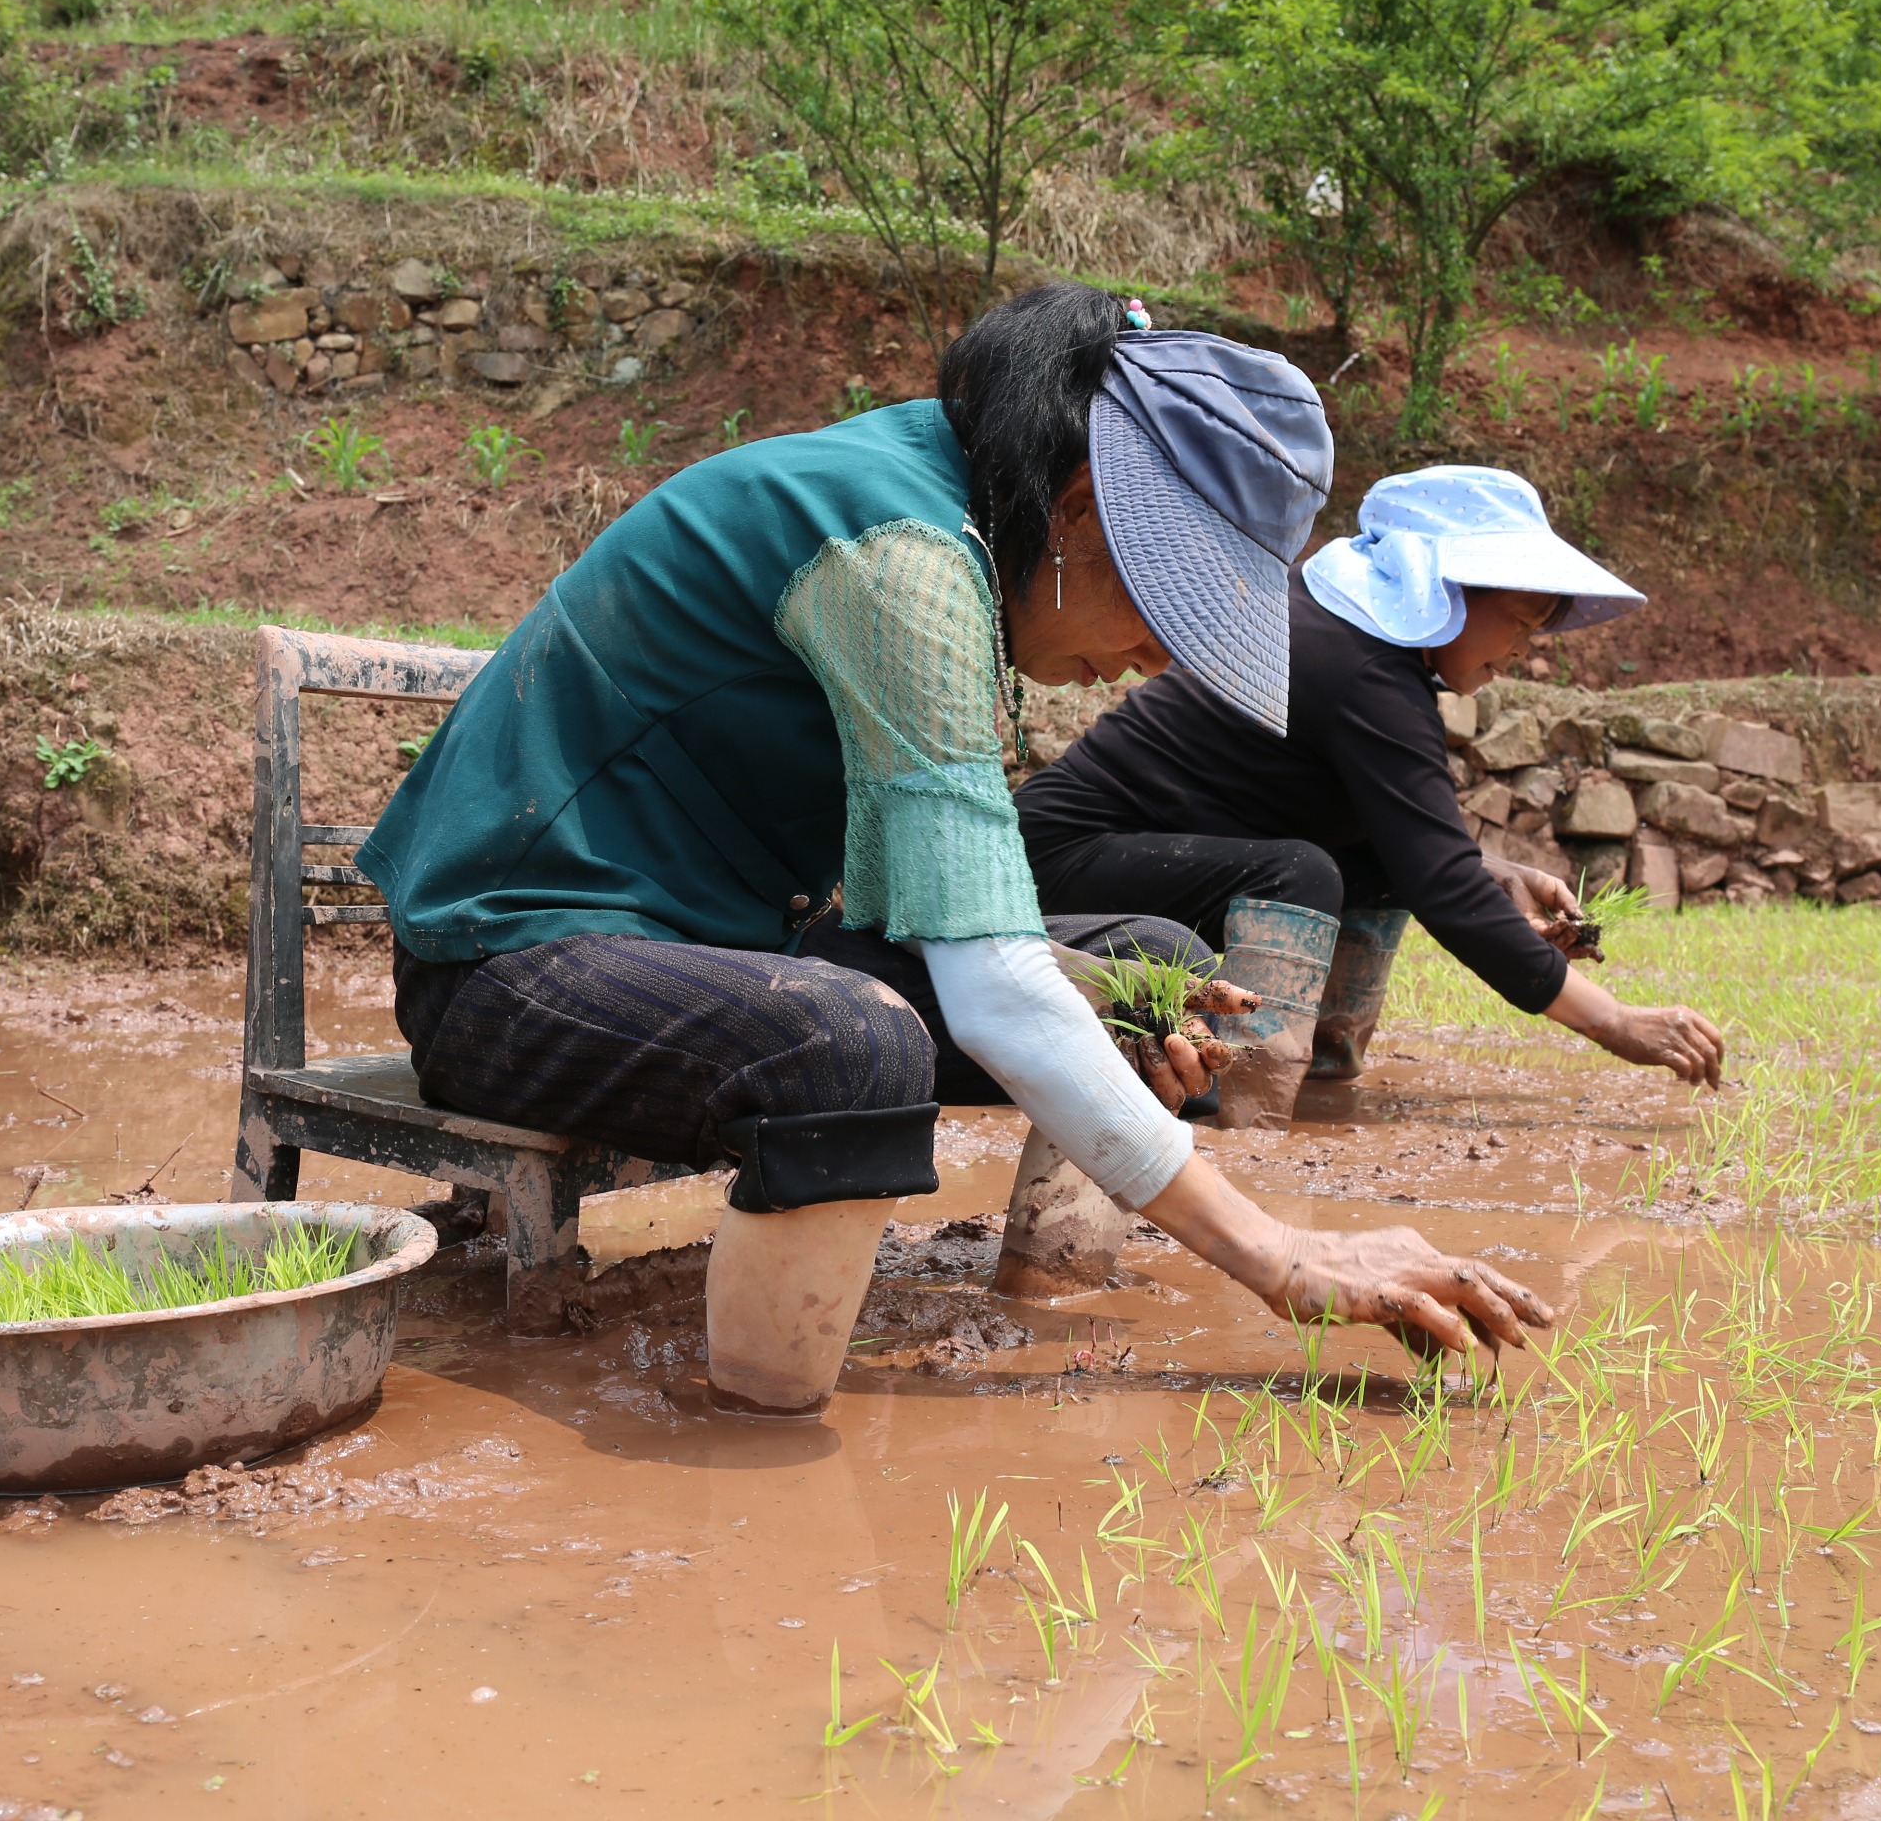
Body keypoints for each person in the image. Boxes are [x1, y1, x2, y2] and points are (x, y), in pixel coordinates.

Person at [358, 286, 1554, 1416]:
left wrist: (1102, 988)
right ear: (1080, 507)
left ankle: (1052, 1297)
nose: (1155, 659)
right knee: (851, 1045)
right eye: (1166, 608)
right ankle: (757, 1443)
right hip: (512, 964)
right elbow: (986, 983)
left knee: (1142, 976)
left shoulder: (957, 513)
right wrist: (1275, 1249)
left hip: (709, 945)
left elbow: (925, 910)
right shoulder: (902, 556)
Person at [1013, 465, 1726, 1124]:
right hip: (1053, 866)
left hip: (1103, 854)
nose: (1522, 648)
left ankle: (1320, 1058)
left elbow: (1417, 852)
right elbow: (1444, 883)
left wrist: (1493, 872)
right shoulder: (1365, 672)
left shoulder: (1345, 638)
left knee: (1372, 872)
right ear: (1440, 591)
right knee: (1301, 873)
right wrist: (1616, 1021)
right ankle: (1244, 1091)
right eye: (1518, 620)